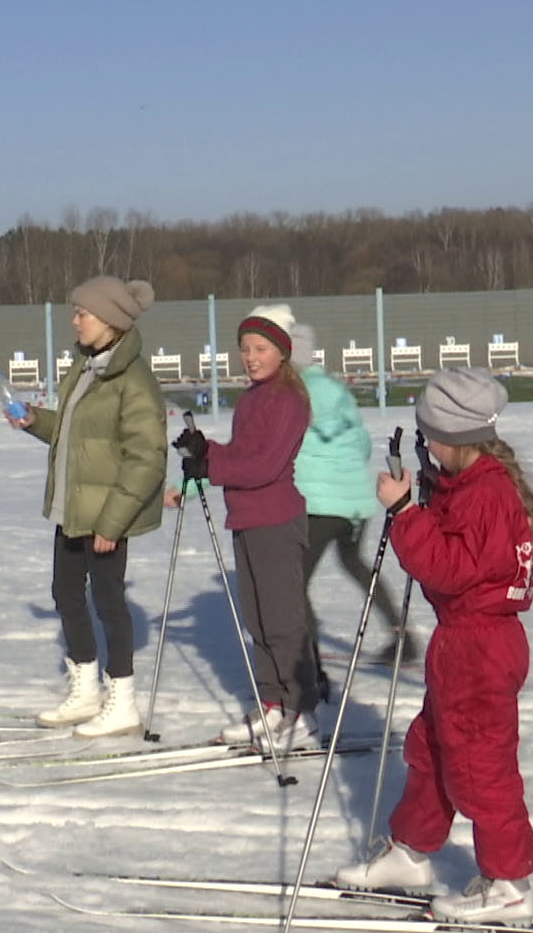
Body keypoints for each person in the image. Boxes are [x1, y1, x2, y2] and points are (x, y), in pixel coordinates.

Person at [334, 366, 533, 923]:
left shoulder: (488, 493)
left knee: (480, 768)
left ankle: (507, 884)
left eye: (429, 435)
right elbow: (455, 548)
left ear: (456, 436)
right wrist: (423, 497)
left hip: (480, 646)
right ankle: (411, 851)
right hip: (465, 644)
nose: (424, 442)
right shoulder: (475, 482)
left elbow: (449, 568)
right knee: (432, 751)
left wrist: (405, 515)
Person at [9, 276, 168, 737]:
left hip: (105, 516)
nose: (74, 320)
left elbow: (147, 457)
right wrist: (37, 421)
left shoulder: (133, 380)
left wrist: (113, 521)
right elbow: (79, 433)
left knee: (108, 602)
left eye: (83, 313)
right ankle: (86, 690)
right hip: (71, 510)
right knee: (66, 594)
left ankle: (123, 702)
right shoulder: (85, 367)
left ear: (110, 321)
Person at [167, 304, 314, 751]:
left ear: (282, 353)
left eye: (261, 348)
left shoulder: (289, 400)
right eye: (245, 349)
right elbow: (241, 453)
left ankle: (301, 712)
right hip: (248, 519)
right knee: (258, 619)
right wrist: (205, 448)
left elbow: (264, 465)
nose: (251, 357)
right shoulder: (253, 397)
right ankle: (272, 705)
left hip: (276, 519)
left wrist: (210, 466)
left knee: (283, 621)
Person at [286, 323, 414, 696]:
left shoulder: (294, 393)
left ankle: (311, 673)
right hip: (357, 501)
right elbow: (358, 443)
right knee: (355, 563)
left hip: (321, 503)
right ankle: (401, 634)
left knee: (294, 584)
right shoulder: (334, 389)